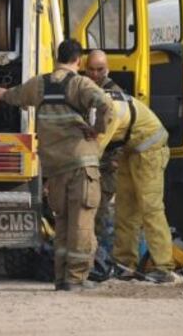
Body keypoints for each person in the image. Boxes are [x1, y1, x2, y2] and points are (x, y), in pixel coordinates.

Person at [0, 39, 113, 292]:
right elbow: (106, 104)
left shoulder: (39, 84)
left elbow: (15, 95)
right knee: (81, 223)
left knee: (62, 224)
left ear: (58, 57)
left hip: (54, 168)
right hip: (81, 165)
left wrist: (2, 94)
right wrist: (97, 129)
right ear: (78, 60)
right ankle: (76, 279)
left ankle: (60, 278)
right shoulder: (80, 83)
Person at [95, 83, 182, 285]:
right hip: (130, 150)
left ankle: (164, 267)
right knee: (125, 209)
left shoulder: (110, 110)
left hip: (150, 152)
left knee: (151, 209)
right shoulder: (100, 102)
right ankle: (125, 264)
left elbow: (95, 149)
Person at [83, 50, 121, 253]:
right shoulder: (83, 89)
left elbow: (119, 132)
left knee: (102, 211)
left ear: (108, 69)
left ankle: (104, 256)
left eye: (100, 70)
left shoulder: (114, 94)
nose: (95, 74)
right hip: (90, 161)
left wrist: (114, 160)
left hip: (106, 163)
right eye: (91, 69)